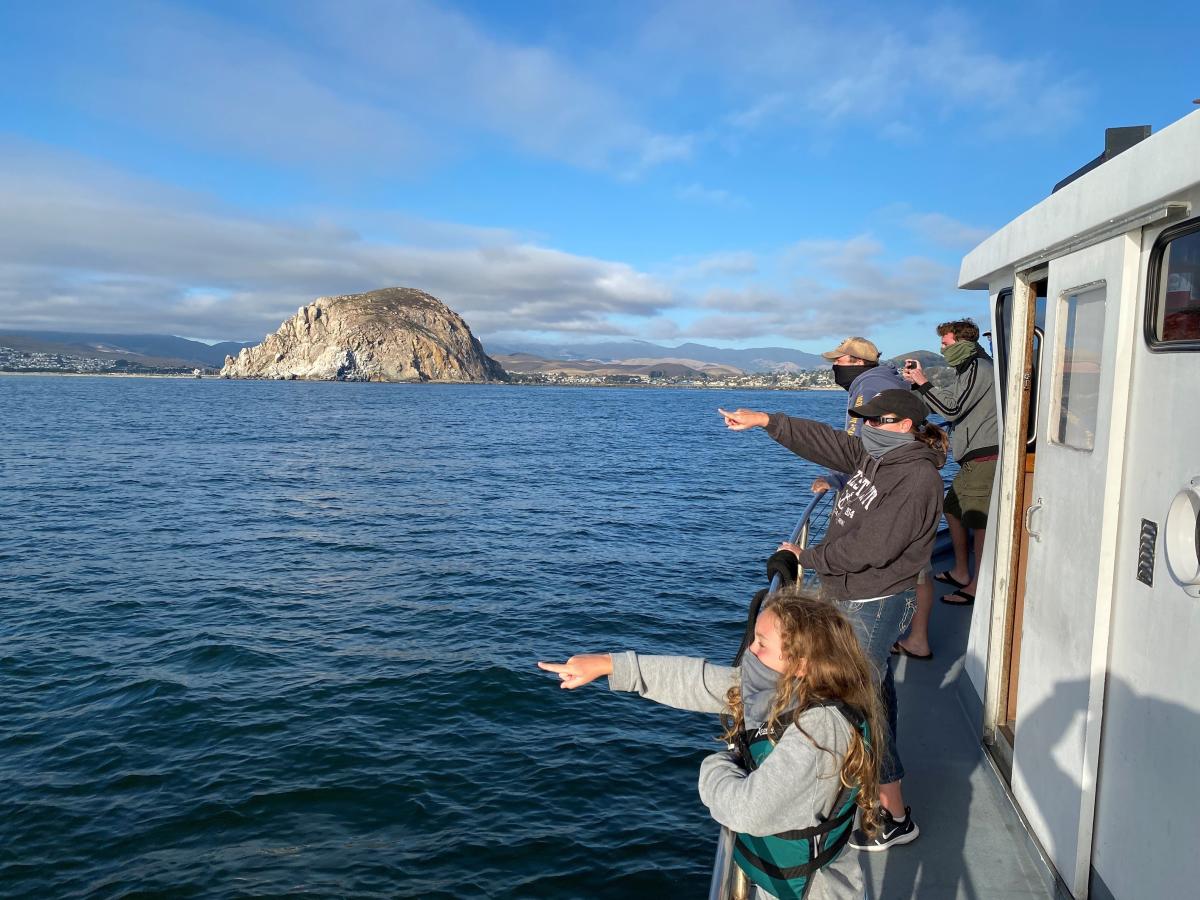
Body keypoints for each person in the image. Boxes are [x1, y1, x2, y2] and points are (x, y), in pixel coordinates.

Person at [538, 588, 884, 900]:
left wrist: (715, 765)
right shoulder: (784, 691)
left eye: (762, 644)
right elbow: (700, 681)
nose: (750, 649)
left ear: (802, 664)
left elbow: (747, 810)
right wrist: (610, 665)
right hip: (784, 883)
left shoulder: (822, 729)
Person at [718, 391, 947, 851]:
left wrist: (811, 556)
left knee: (857, 703)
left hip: (875, 602)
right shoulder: (874, 455)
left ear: (904, 425)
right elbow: (822, 441)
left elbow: (875, 547)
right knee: (871, 695)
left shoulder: (917, 477)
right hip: (850, 596)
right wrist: (766, 420)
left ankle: (894, 815)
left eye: (875, 420)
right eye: (861, 419)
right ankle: (870, 791)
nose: (864, 427)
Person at [817, 337, 939, 662]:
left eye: (839, 360)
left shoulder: (868, 387)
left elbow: (857, 447)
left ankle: (902, 641)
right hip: (890, 486)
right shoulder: (888, 380)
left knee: (911, 570)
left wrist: (841, 478)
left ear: (856, 362)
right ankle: (918, 637)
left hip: (881, 493)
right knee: (919, 569)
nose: (834, 366)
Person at [902, 319, 1000, 606]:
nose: (942, 349)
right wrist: (920, 388)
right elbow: (951, 401)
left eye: (945, 344)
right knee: (953, 509)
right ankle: (960, 570)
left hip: (985, 454)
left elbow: (951, 408)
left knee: (979, 521)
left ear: (961, 342)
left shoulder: (979, 368)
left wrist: (922, 382)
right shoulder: (967, 368)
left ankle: (978, 585)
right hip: (973, 454)